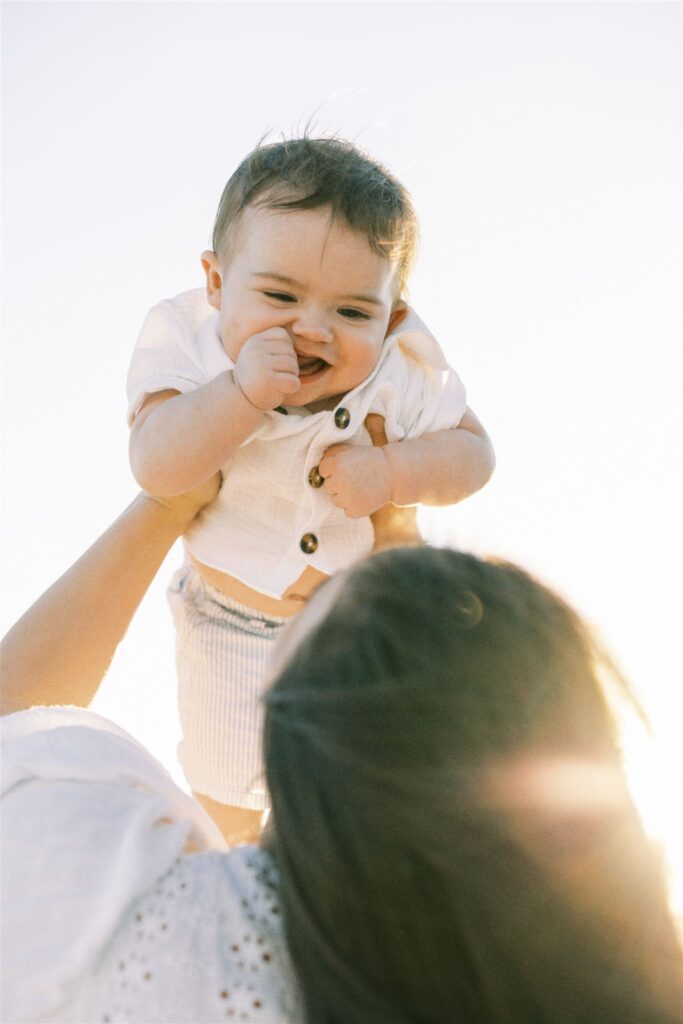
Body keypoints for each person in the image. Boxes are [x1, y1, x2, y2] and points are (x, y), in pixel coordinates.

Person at [1, 485, 681, 1024]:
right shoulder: (587, 986)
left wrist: (165, 502)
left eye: (311, 610)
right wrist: (400, 589)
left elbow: (15, 720)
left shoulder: (145, 914)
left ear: (300, 712)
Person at [126, 136, 495, 842]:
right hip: (229, 619)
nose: (312, 328)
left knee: (361, 786)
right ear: (215, 283)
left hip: (350, 626)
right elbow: (155, 465)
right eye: (278, 295)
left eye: (352, 312)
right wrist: (238, 395)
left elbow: (474, 457)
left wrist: (393, 472)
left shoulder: (402, 368)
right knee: (226, 795)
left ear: (390, 319)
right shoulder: (188, 343)